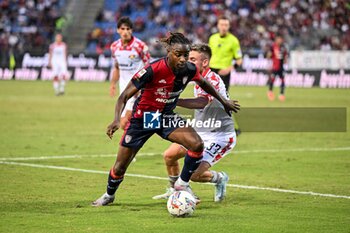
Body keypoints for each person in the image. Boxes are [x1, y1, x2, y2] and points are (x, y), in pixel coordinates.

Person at [92, 32, 240, 207]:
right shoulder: (152, 70)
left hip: (166, 116)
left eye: (186, 55)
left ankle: (182, 185)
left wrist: (224, 101)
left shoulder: (189, 70)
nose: (183, 59)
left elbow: (204, 84)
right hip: (145, 118)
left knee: (196, 144)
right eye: (179, 54)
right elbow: (123, 96)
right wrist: (117, 119)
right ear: (169, 52)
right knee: (120, 166)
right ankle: (109, 195)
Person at [153, 44, 236, 203]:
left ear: (204, 63)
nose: (187, 62)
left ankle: (219, 178)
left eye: (192, 59)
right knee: (169, 156)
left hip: (220, 136)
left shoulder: (212, 79)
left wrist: (174, 101)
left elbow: (201, 103)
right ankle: (177, 191)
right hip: (201, 131)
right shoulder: (195, 76)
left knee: (194, 174)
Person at [109, 16, 151, 129]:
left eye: (128, 29)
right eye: (122, 29)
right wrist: (113, 84)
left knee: (123, 122)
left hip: (136, 85)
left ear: (132, 30)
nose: (125, 32)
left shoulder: (140, 46)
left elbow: (149, 67)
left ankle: (128, 143)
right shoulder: (114, 47)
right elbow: (117, 67)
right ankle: (135, 140)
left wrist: (141, 85)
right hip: (123, 87)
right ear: (118, 30)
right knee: (127, 124)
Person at [208, 16, 242, 135]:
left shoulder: (233, 40)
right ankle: (213, 126)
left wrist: (229, 69)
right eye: (221, 24)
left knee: (224, 101)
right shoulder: (212, 38)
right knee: (208, 100)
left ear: (229, 26)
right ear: (218, 25)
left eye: (226, 25)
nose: (223, 27)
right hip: (211, 72)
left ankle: (235, 127)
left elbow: (239, 60)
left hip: (224, 74)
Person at [267, 35, 288, 101]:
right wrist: (269, 64)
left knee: (282, 80)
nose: (280, 41)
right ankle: (270, 92)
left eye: (280, 39)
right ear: (276, 40)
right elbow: (269, 55)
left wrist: (285, 60)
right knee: (272, 79)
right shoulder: (273, 46)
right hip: (275, 67)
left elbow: (285, 55)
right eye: (278, 39)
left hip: (281, 67)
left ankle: (281, 94)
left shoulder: (283, 47)